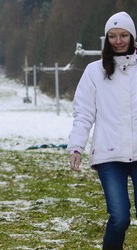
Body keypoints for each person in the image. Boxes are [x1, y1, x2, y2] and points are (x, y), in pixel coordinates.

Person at [68, 11, 137, 250]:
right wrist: (76, 146)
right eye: (113, 36)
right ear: (106, 38)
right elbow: (84, 113)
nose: (118, 41)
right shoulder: (94, 71)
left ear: (132, 36)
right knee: (119, 218)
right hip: (110, 154)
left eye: (123, 35)